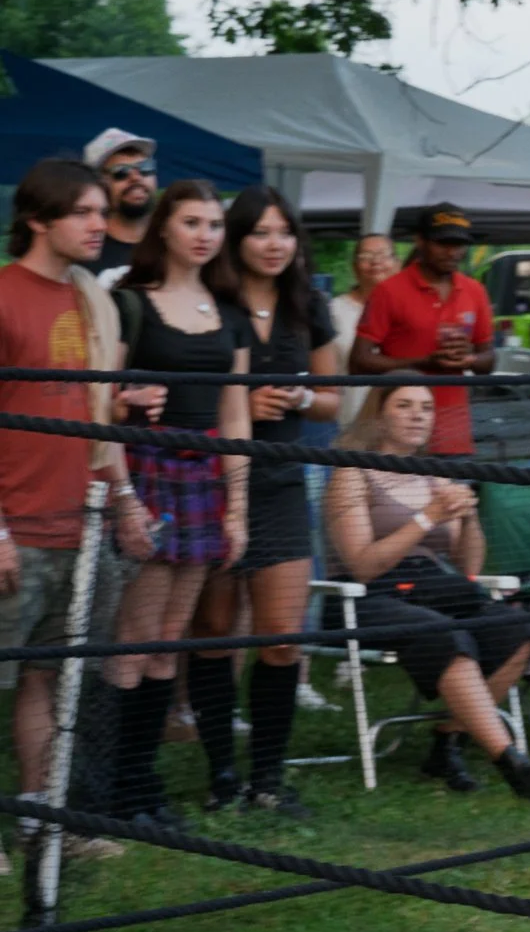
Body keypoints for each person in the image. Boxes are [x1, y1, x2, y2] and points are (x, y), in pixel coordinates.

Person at [2, 161, 151, 840]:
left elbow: (95, 420)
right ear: (39, 220)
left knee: (47, 682)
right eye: (85, 212)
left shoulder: (95, 299)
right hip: (15, 527)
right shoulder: (3, 296)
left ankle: (40, 824)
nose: (101, 224)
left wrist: (123, 499)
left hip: (79, 528)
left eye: (103, 210)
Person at [325, 386, 530, 799]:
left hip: (435, 588)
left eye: (427, 408)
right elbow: (362, 565)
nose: (418, 415)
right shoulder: (351, 473)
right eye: (404, 405)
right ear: (378, 415)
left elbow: (469, 568)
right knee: (445, 635)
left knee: (515, 628)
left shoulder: (435, 474)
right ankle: (511, 762)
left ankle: (448, 740)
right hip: (368, 598)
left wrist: (468, 518)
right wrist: (428, 515)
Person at [104, 180, 253, 827]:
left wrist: (238, 505)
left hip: (205, 479)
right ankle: (110, 787)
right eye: (191, 221)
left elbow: (237, 415)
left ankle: (144, 786)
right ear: (163, 227)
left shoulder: (231, 310)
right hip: (144, 469)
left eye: (214, 224)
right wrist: (123, 496)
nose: (204, 234)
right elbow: (98, 404)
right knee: (132, 641)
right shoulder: (127, 304)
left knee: (169, 643)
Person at [191, 187, 339, 816]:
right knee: (215, 634)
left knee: (282, 639)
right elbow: (187, 399)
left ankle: (269, 780)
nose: (275, 244)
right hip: (214, 479)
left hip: (282, 483)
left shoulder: (310, 305)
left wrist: (301, 399)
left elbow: (336, 398)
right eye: (260, 233)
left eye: (285, 233)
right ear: (237, 238)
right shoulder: (209, 302)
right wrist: (239, 409)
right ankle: (222, 773)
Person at [349, 204, 496, 454]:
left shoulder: (475, 291)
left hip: (452, 433)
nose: (451, 252)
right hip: (396, 436)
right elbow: (358, 363)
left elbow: (489, 360)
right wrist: (424, 362)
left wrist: (468, 358)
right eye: (442, 243)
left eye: (458, 244)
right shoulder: (389, 291)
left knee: (455, 493)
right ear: (420, 241)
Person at [328, 233, 400, 430]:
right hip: (350, 422)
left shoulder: (413, 309)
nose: (376, 262)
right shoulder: (334, 311)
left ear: (397, 263)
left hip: (404, 425)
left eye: (383, 255)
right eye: (366, 256)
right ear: (354, 267)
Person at [81, 127, 158, 275]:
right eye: (121, 172)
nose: (136, 177)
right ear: (98, 184)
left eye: (145, 167)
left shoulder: (176, 243)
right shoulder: (83, 250)